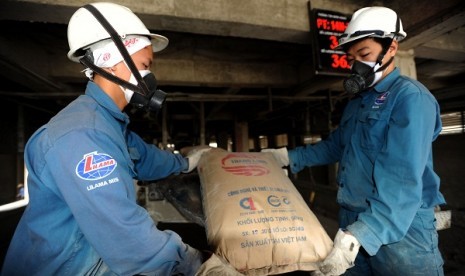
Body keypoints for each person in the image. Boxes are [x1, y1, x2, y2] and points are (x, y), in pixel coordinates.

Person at [2, 2, 210, 275]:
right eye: (144, 65)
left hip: (88, 256)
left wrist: (185, 163)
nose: (150, 77)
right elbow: (127, 237)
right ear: (111, 61)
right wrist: (197, 264)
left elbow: (145, 158)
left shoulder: (108, 124)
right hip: (65, 268)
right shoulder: (82, 135)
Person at [264, 6, 445, 276]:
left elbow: (402, 178)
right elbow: (336, 145)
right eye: (352, 58)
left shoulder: (410, 98)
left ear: (392, 48)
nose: (356, 65)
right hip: (353, 219)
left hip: (399, 229)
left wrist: (361, 234)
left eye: (364, 54)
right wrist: (288, 158)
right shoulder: (358, 102)